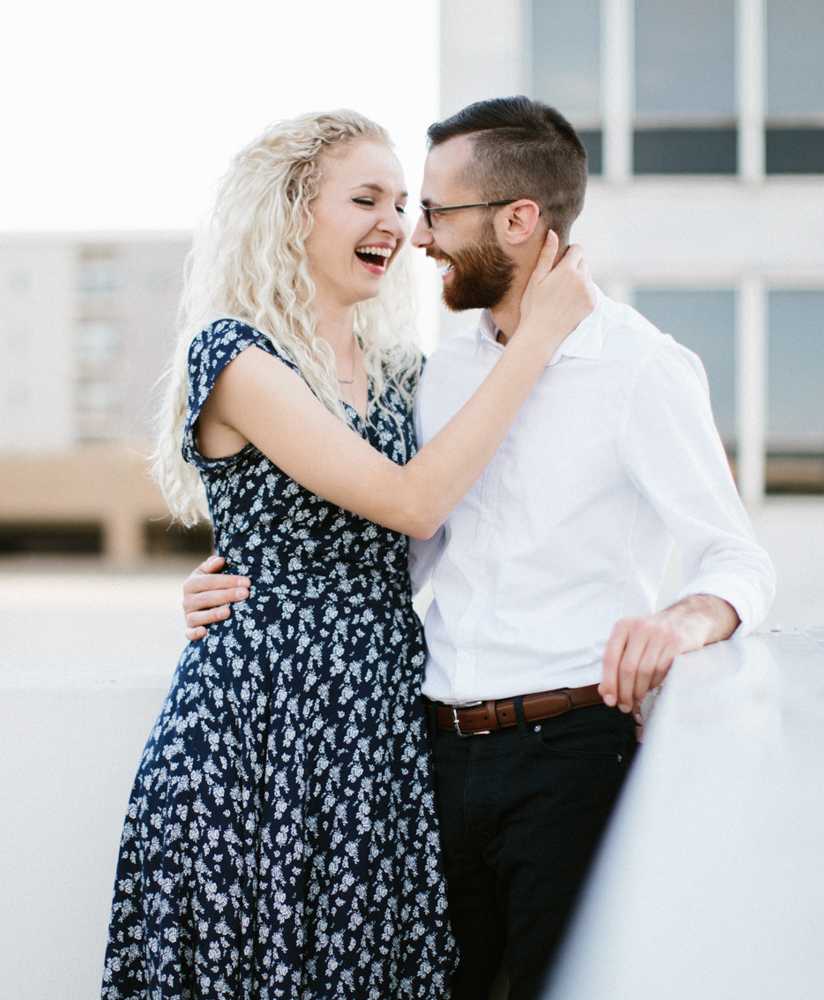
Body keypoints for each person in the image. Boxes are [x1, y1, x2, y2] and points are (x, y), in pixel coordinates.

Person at [182, 97, 777, 1000]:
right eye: (392, 207)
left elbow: (736, 555)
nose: (416, 237)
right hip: (422, 754)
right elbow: (384, 527)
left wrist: (692, 617)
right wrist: (246, 583)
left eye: (432, 212)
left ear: (518, 219)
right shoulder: (438, 371)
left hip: (568, 754)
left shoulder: (644, 368)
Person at [101, 109, 594, 1000]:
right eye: (366, 198)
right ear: (291, 213)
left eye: (405, 204)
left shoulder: (405, 368)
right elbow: (414, 502)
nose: (398, 226)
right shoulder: (238, 355)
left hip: (378, 739)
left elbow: (482, 518)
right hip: (261, 735)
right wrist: (538, 341)